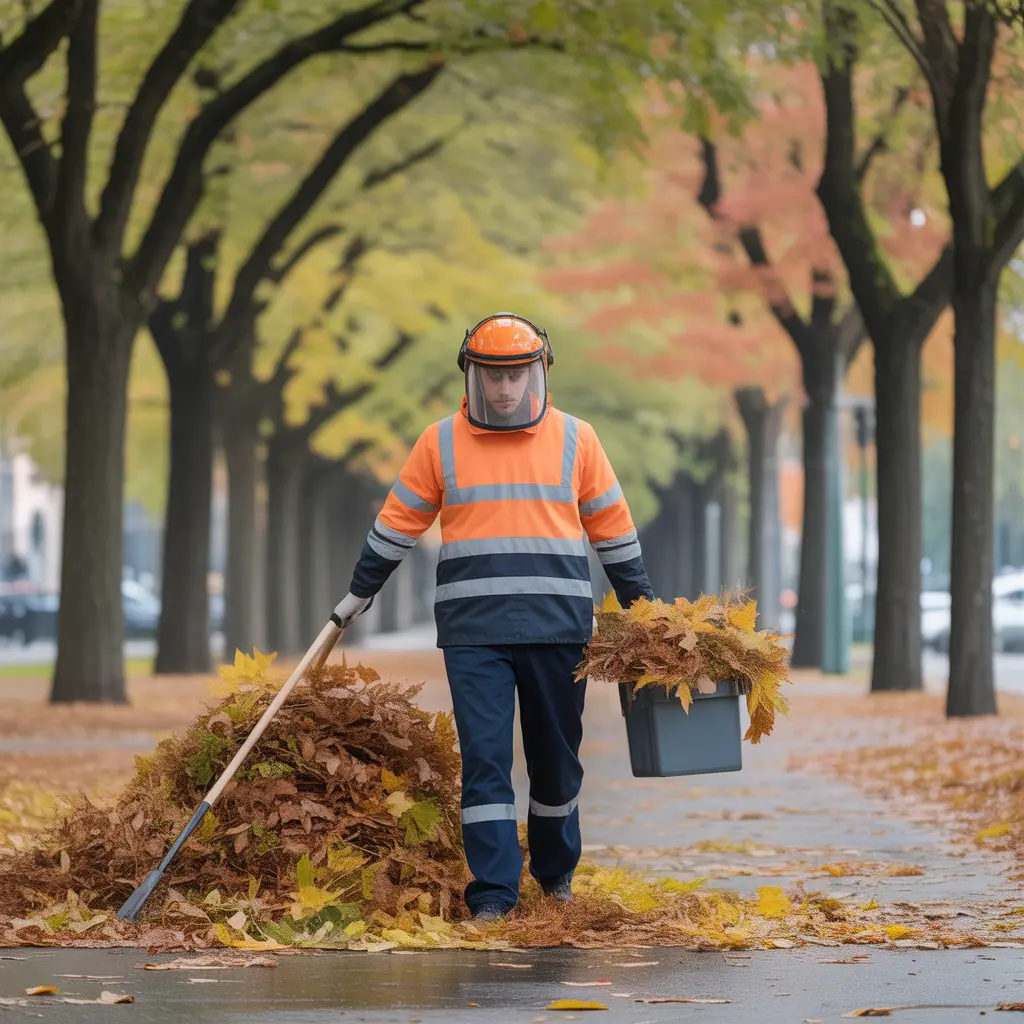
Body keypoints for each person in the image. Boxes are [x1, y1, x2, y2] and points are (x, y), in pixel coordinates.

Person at [332, 313, 654, 921]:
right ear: (472, 375)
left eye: (516, 375)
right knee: (484, 761)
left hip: (558, 630)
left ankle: (555, 877)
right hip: (474, 634)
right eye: (492, 375)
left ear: (539, 373)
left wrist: (646, 611)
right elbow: (397, 524)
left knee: (556, 764)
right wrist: (357, 594)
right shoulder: (440, 442)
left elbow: (613, 530)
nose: (505, 389)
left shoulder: (576, 440)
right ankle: (494, 894)